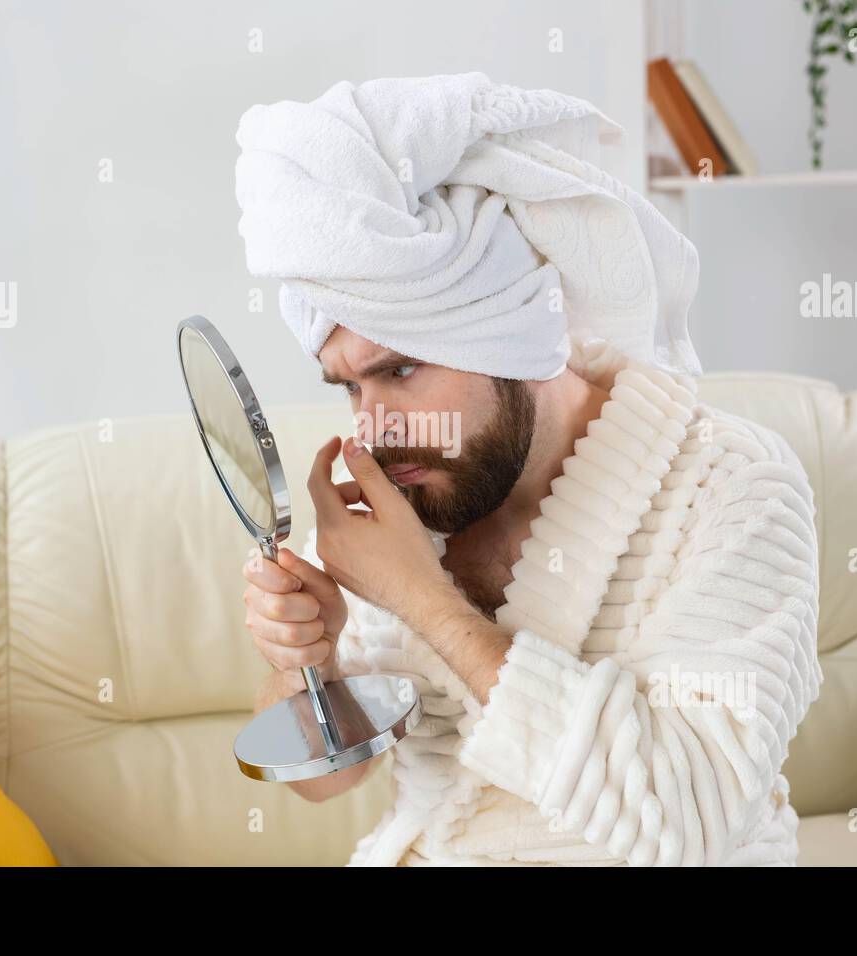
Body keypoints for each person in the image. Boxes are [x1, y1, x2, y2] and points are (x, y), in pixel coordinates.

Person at [235, 72, 823, 866]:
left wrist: (422, 597)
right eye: (349, 387)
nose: (372, 428)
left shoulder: (733, 488)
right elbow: (334, 780)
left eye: (400, 370)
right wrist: (307, 664)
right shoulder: (400, 485)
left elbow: (684, 821)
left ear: (510, 337)